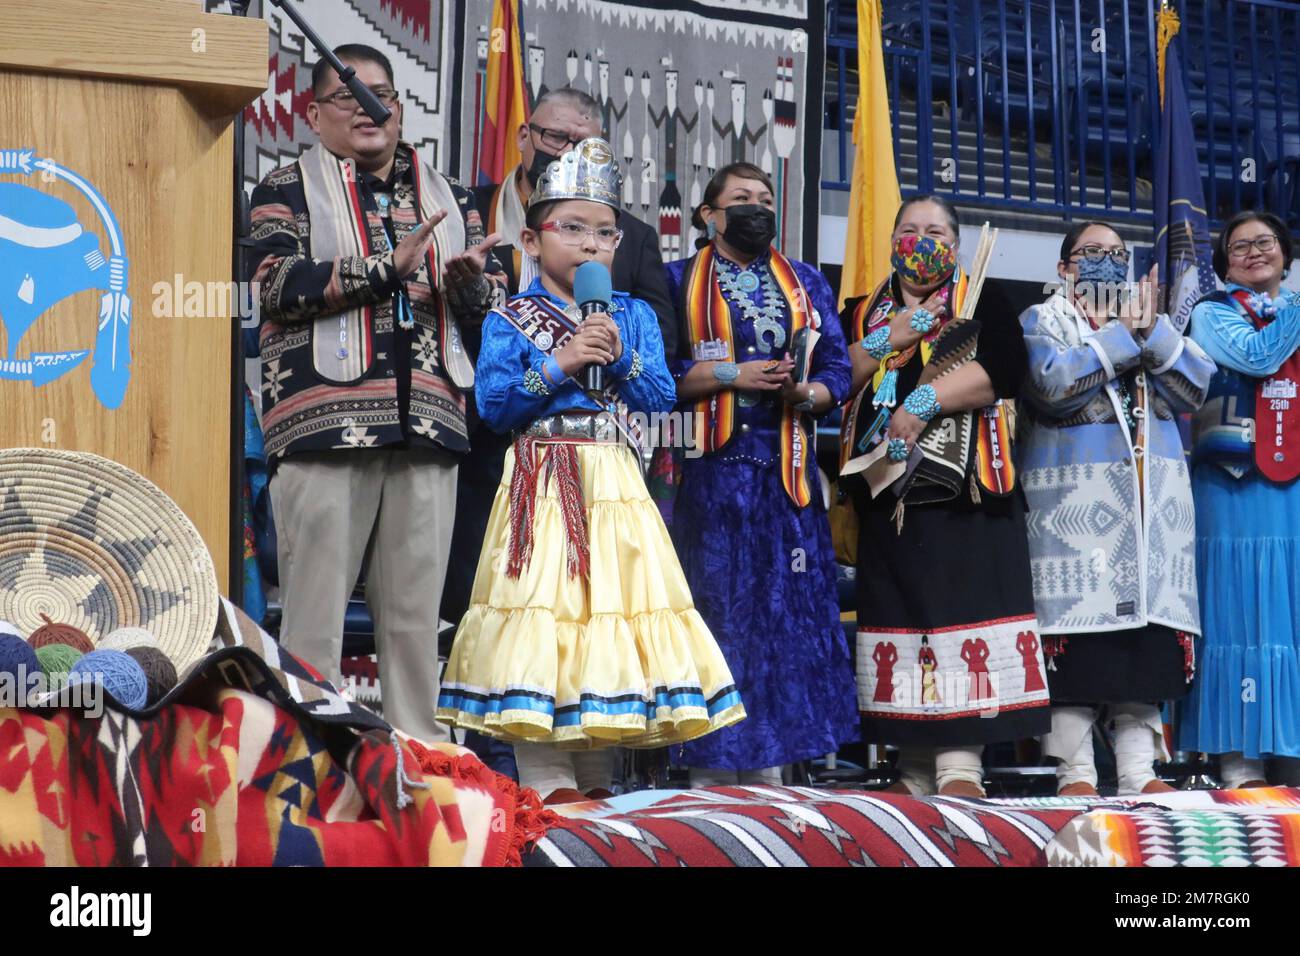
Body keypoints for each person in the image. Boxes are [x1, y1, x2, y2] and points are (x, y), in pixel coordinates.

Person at [436, 139, 744, 802]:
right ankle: (546, 781)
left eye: (605, 233)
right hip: (541, 481)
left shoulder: (630, 314)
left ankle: (598, 780)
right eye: (572, 228)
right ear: (531, 236)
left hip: (613, 481)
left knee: (609, 619)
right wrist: (562, 360)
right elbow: (493, 404)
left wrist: (621, 357)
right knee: (540, 617)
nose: (590, 244)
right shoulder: (511, 316)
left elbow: (661, 394)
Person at [249, 44, 500, 743]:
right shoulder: (282, 186)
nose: (369, 107)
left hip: (431, 427)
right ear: (313, 112)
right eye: (348, 96)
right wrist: (387, 270)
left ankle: (421, 772)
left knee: (419, 627)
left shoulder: (451, 194)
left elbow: (492, 305)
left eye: (381, 94)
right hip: (324, 432)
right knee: (314, 621)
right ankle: (303, 766)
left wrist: (472, 286)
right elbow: (276, 286)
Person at [841, 195, 1050, 797]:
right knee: (901, 627)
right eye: (909, 229)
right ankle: (910, 765)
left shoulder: (983, 295)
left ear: (955, 247)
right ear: (891, 241)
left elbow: (1008, 369)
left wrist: (924, 402)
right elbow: (833, 380)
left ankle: (961, 764)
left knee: (968, 624)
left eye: (935, 231)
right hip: (889, 497)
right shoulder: (861, 312)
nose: (921, 240)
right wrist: (888, 339)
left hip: (971, 496)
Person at [665, 162, 858, 786]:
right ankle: (709, 775)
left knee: (787, 623)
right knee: (716, 619)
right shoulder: (674, 281)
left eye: (766, 199)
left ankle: (773, 777)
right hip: (709, 482)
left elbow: (837, 367)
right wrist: (733, 376)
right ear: (708, 215)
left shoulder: (804, 282)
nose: (757, 208)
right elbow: (658, 376)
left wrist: (811, 394)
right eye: (742, 198)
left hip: (788, 480)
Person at [1019, 222, 1213, 795]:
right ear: (1063, 268)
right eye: (1091, 253)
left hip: (1151, 518)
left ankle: (1139, 773)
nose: (1105, 261)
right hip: (1073, 517)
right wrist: (1124, 337)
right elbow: (1051, 386)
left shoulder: (1151, 323)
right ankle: (1075, 773)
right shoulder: (1043, 320)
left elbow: (1194, 388)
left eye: (1115, 253)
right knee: (1077, 655)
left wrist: (1149, 329)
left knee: (1140, 654)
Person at [1179, 210, 1300, 788]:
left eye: (1266, 242)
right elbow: (1257, 357)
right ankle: (1240, 761)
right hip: (1229, 488)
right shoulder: (1210, 314)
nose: (1254, 252)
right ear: (1225, 261)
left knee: (1290, 614)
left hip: (1293, 490)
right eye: (1240, 245)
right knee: (1235, 613)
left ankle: (1293, 753)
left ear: (1285, 252)